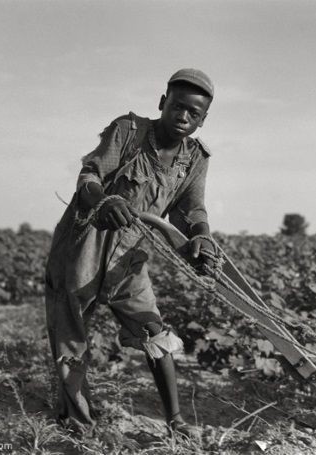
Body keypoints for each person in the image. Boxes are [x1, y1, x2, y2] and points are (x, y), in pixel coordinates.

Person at [44, 68, 216, 437]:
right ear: (162, 103)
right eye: (177, 106)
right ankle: (78, 424)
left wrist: (201, 236)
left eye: (194, 113)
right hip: (85, 240)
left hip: (130, 252)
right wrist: (103, 199)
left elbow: (191, 210)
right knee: (70, 331)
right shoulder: (128, 131)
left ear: (203, 119)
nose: (184, 117)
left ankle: (176, 421)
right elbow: (89, 175)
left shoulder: (196, 158)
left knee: (154, 331)